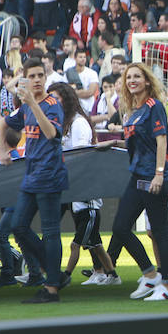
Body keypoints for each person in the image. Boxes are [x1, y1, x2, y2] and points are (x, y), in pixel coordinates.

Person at [0, 58, 69, 303]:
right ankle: (54, 273)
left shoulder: (52, 104)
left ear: (45, 78)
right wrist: (0, 149)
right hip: (32, 173)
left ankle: (51, 289)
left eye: (40, 75)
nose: (37, 80)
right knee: (18, 226)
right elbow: (3, 123)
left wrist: (32, 104)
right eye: (32, 76)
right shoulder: (26, 105)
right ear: (26, 78)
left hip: (49, 173)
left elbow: (51, 134)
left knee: (50, 231)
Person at [106, 62, 168, 301]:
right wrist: (114, 143)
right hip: (138, 175)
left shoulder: (154, 106)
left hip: (153, 176)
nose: (132, 80)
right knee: (120, 227)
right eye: (128, 77)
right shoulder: (134, 111)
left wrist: (159, 173)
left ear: (147, 81)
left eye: (137, 76)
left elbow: (161, 142)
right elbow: (139, 144)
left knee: (159, 231)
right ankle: (150, 274)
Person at [45, 82, 119, 287]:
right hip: (73, 191)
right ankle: (110, 273)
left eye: (56, 98)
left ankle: (64, 275)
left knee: (77, 243)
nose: (53, 102)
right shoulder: (63, 122)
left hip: (83, 193)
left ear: (66, 99)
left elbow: (80, 156)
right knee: (95, 243)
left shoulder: (78, 123)